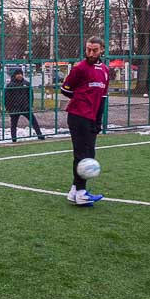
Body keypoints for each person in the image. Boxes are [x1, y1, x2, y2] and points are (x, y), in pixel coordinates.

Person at [61, 36, 109, 207]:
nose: (90, 52)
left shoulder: (104, 70)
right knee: (83, 155)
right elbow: (64, 89)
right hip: (77, 116)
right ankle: (81, 193)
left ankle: (74, 190)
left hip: (91, 118)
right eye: (88, 49)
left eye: (94, 50)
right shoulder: (79, 68)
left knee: (89, 154)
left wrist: (98, 120)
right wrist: (81, 98)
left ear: (102, 49)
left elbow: (102, 97)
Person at [5, 68, 45, 142]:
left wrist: (30, 105)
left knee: (33, 120)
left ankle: (39, 134)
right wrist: (8, 108)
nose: (20, 75)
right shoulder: (10, 85)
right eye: (18, 74)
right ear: (15, 75)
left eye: (21, 74)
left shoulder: (26, 83)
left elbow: (31, 95)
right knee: (13, 124)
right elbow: (7, 98)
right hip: (15, 108)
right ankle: (14, 139)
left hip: (25, 107)